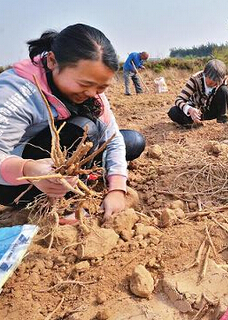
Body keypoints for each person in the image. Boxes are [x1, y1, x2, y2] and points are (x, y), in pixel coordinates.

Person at [0, 23, 146, 220]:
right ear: (52, 61)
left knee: (132, 141)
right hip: (16, 183)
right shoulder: (17, 92)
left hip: (62, 154)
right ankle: (66, 204)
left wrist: (118, 188)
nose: (93, 94)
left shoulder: (92, 93)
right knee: (85, 129)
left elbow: (113, 137)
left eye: (101, 88)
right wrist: (29, 169)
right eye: (84, 84)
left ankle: (81, 178)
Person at [167, 59, 228, 128]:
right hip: (196, 113)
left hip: (213, 110)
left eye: (217, 82)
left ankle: (222, 119)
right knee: (173, 111)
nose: (215, 84)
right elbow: (179, 99)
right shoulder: (195, 79)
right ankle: (193, 124)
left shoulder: (223, 80)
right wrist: (190, 109)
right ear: (205, 74)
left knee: (224, 90)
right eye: (211, 82)